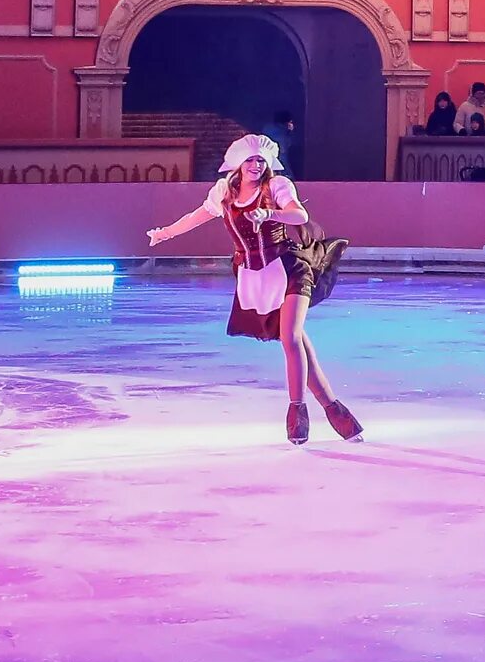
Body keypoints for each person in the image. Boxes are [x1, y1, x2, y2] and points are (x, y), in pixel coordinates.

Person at [146, 134, 358, 445]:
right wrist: (165, 234)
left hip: (289, 268)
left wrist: (270, 213)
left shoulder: (276, 187)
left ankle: (297, 411)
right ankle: (335, 409)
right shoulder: (224, 193)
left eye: (261, 160)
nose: (256, 165)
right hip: (255, 277)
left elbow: (300, 215)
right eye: (250, 160)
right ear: (238, 163)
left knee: (291, 338)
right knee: (298, 343)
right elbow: (197, 217)